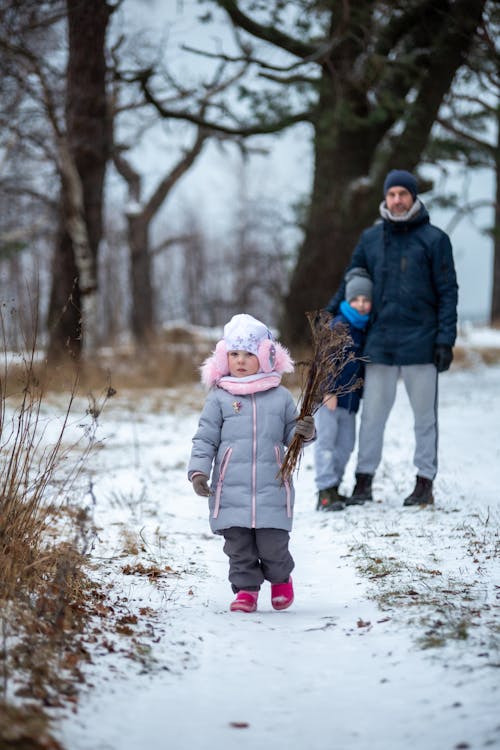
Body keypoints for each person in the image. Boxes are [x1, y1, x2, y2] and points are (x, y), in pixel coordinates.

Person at [325, 169, 458, 507]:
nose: (397, 200)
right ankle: (363, 482)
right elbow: (351, 279)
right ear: (385, 198)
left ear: (414, 197)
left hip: (422, 343)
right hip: (380, 343)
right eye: (392, 194)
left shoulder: (435, 240)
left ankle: (424, 483)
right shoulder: (370, 239)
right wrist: (329, 315)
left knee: (425, 417)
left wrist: (445, 340)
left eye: (403, 193)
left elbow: (447, 293)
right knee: (372, 417)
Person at [188, 313, 315, 613]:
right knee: (238, 547)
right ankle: (246, 591)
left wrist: (305, 432)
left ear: (265, 356)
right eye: (234, 354)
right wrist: (198, 471)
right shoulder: (219, 397)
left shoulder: (280, 396)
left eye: (248, 354)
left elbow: (290, 435)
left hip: (272, 486)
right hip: (230, 489)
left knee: (274, 545)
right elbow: (205, 438)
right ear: (224, 357)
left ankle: (281, 579)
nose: (240, 361)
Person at [315, 267, 372, 512]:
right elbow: (325, 359)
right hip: (329, 399)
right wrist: (327, 389)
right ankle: (325, 490)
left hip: (350, 401)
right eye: (355, 299)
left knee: (346, 444)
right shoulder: (339, 325)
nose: (360, 304)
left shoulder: (364, 328)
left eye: (365, 300)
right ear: (347, 300)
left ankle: (335, 485)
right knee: (326, 443)